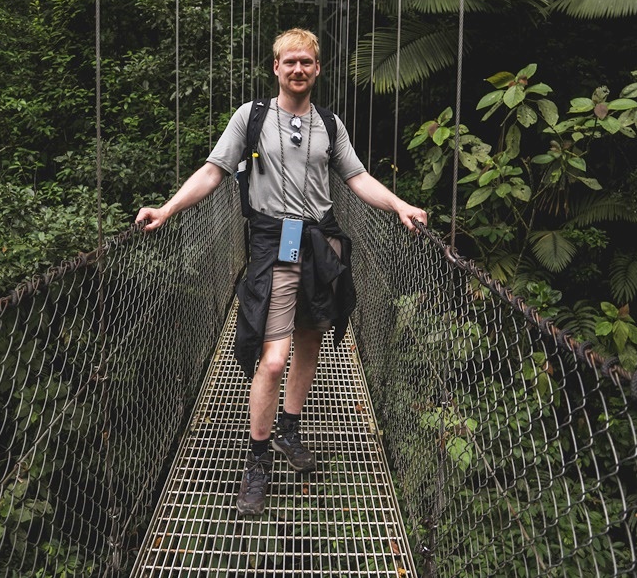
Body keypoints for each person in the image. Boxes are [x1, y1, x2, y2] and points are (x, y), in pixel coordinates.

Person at [135, 28, 427, 516]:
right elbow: (213, 171)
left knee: (310, 340)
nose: (298, 69)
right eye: (289, 62)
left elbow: (356, 178)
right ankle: (257, 460)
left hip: (321, 242)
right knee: (273, 359)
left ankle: (290, 429)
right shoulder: (250, 118)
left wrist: (399, 205)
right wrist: (167, 210)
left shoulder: (330, 125)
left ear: (317, 69)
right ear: (275, 67)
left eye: (307, 63)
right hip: (274, 244)